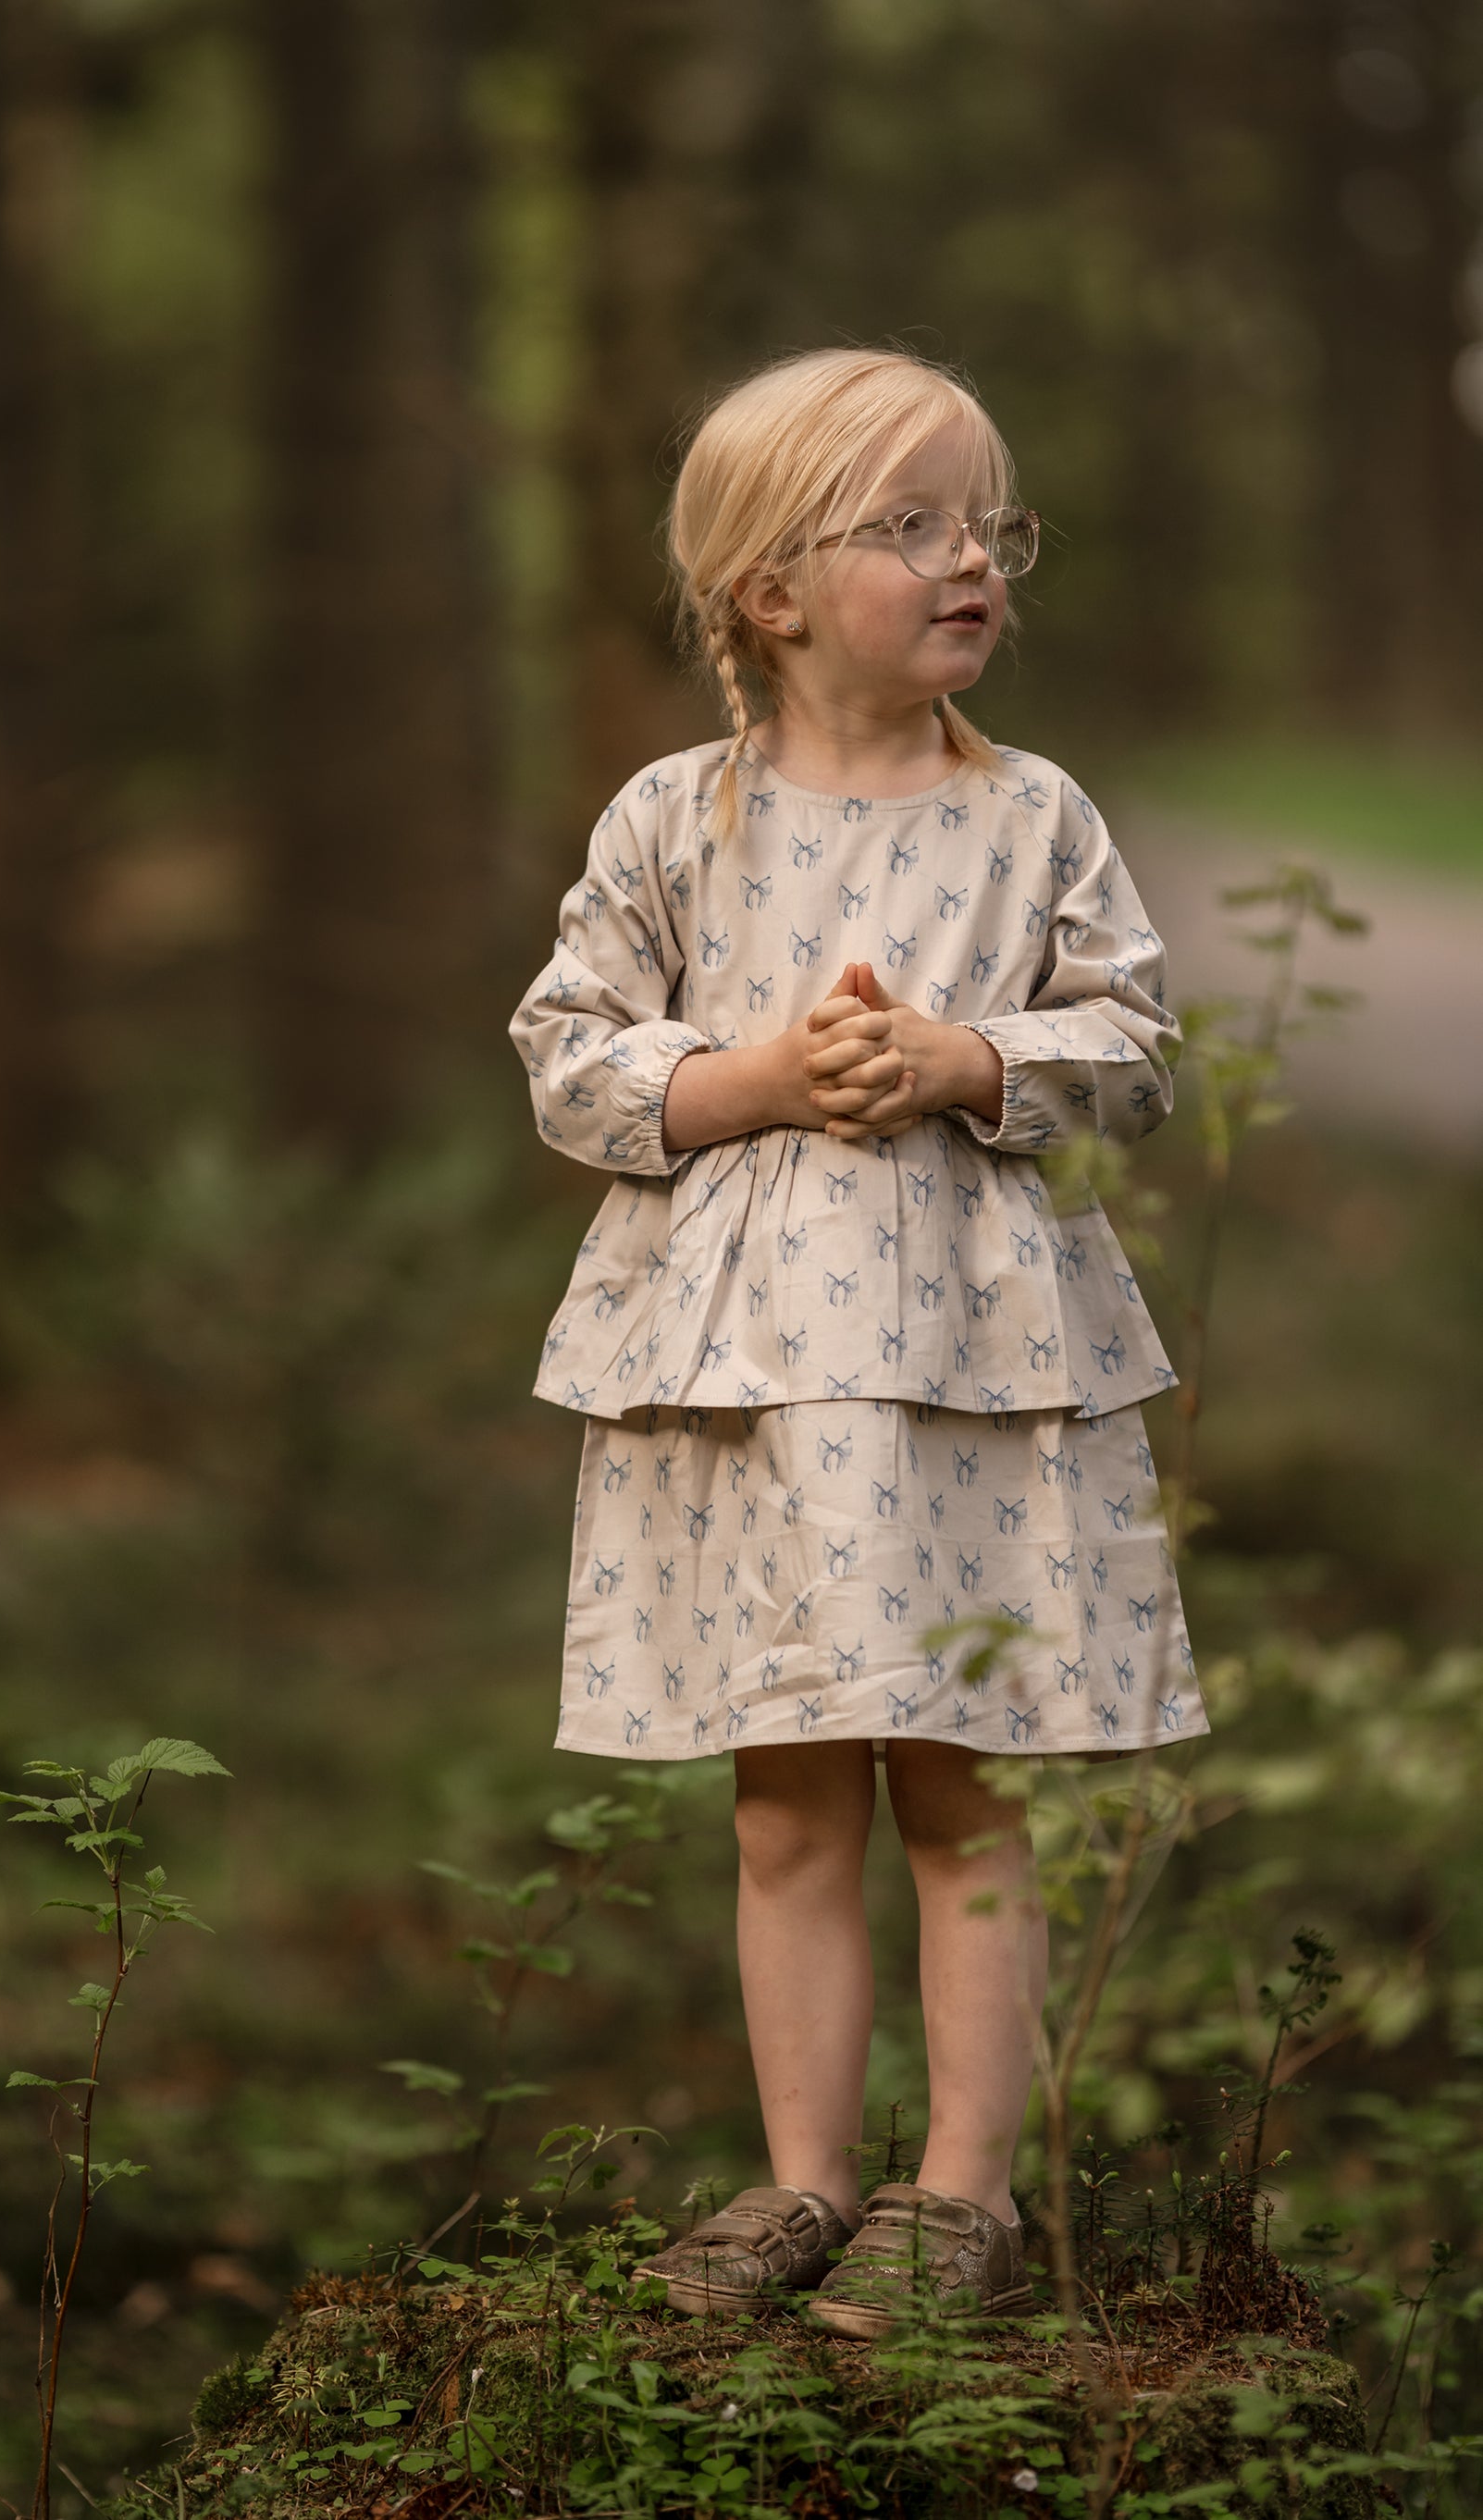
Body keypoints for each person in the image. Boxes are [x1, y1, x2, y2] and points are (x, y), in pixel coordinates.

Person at [507, 345, 1209, 2337]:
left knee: (967, 1776)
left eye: (988, 523)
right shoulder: (677, 819)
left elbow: (1136, 1051)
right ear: (772, 590)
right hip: (742, 1378)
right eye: (906, 525)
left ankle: (958, 2196)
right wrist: (748, 1077)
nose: (966, 558)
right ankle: (803, 2182)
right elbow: (569, 1060)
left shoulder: (1031, 818)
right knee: (789, 1789)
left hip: (976, 1366)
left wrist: (960, 1056)